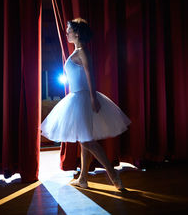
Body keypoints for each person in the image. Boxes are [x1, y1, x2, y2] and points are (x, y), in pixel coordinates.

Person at [41, 18, 131, 190]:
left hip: (82, 98)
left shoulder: (82, 51)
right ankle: (83, 178)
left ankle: (113, 174)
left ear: (77, 33)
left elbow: (91, 75)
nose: (66, 33)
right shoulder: (76, 52)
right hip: (77, 97)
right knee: (84, 141)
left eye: (69, 30)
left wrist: (92, 98)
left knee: (87, 141)